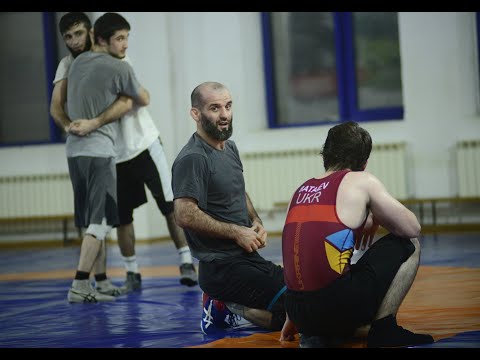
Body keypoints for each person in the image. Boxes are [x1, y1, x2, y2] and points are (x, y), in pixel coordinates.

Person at [51, 12, 198, 291]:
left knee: (170, 203)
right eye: (68, 37)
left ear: (92, 34)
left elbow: (138, 98)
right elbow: (56, 105)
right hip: (107, 153)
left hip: (141, 143)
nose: (74, 41)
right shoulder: (70, 66)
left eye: (79, 33)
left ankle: (186, 261)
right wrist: (71, 126)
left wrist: (93, 122)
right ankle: (128, 272)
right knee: (120, 216)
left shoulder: (117, 62)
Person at [279, 121, 434, 348]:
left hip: (298, 313)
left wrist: (292, 317)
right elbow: (412, 228)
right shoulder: (361, 181)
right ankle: (384, 329)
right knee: (410, 244)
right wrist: (377, 215)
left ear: (325, 154)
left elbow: (296, 256)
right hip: (334, 309)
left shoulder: (301, 190)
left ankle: (322, 330)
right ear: (364, 163)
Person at [172, 81, 286, 334]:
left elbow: (237, 190)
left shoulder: (229, 147)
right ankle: (225, 304)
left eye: (228, 106)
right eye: (214, 108)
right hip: (222, 268)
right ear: (196, 114)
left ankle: (228, 304)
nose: (224, 115)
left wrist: (255, 221)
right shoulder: (193, 158)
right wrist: (237, 232)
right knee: (303, 310)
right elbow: (184, 214)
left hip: (246, 258)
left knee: (304, 302)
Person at [61, 12, 150, 302]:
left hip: (74, 152)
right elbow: (143, 98)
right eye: (120, 39)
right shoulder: (119, 67)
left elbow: (61, 104)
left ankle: (97, 282)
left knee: (91, 221)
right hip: (99, 152)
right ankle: (80, 285)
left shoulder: (74, 65)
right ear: (101, 39)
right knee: (99, 223)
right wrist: (121, 98)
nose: (125, 46)